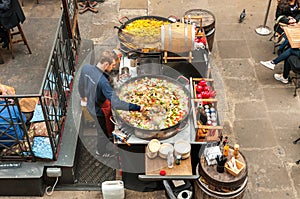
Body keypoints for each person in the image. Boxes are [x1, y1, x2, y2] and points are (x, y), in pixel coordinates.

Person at [78, 50, 144, 157]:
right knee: (102, 132)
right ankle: (101, 151)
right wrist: (137, 107)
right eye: (112, 65)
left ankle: (106, 135)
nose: (113, 68)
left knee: (103, 126)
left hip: (90, 103)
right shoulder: (103, 82)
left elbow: (81, 84)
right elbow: (116, 103)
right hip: (99, 110)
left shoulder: (86, 68)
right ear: (106, 64)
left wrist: (83, 96)